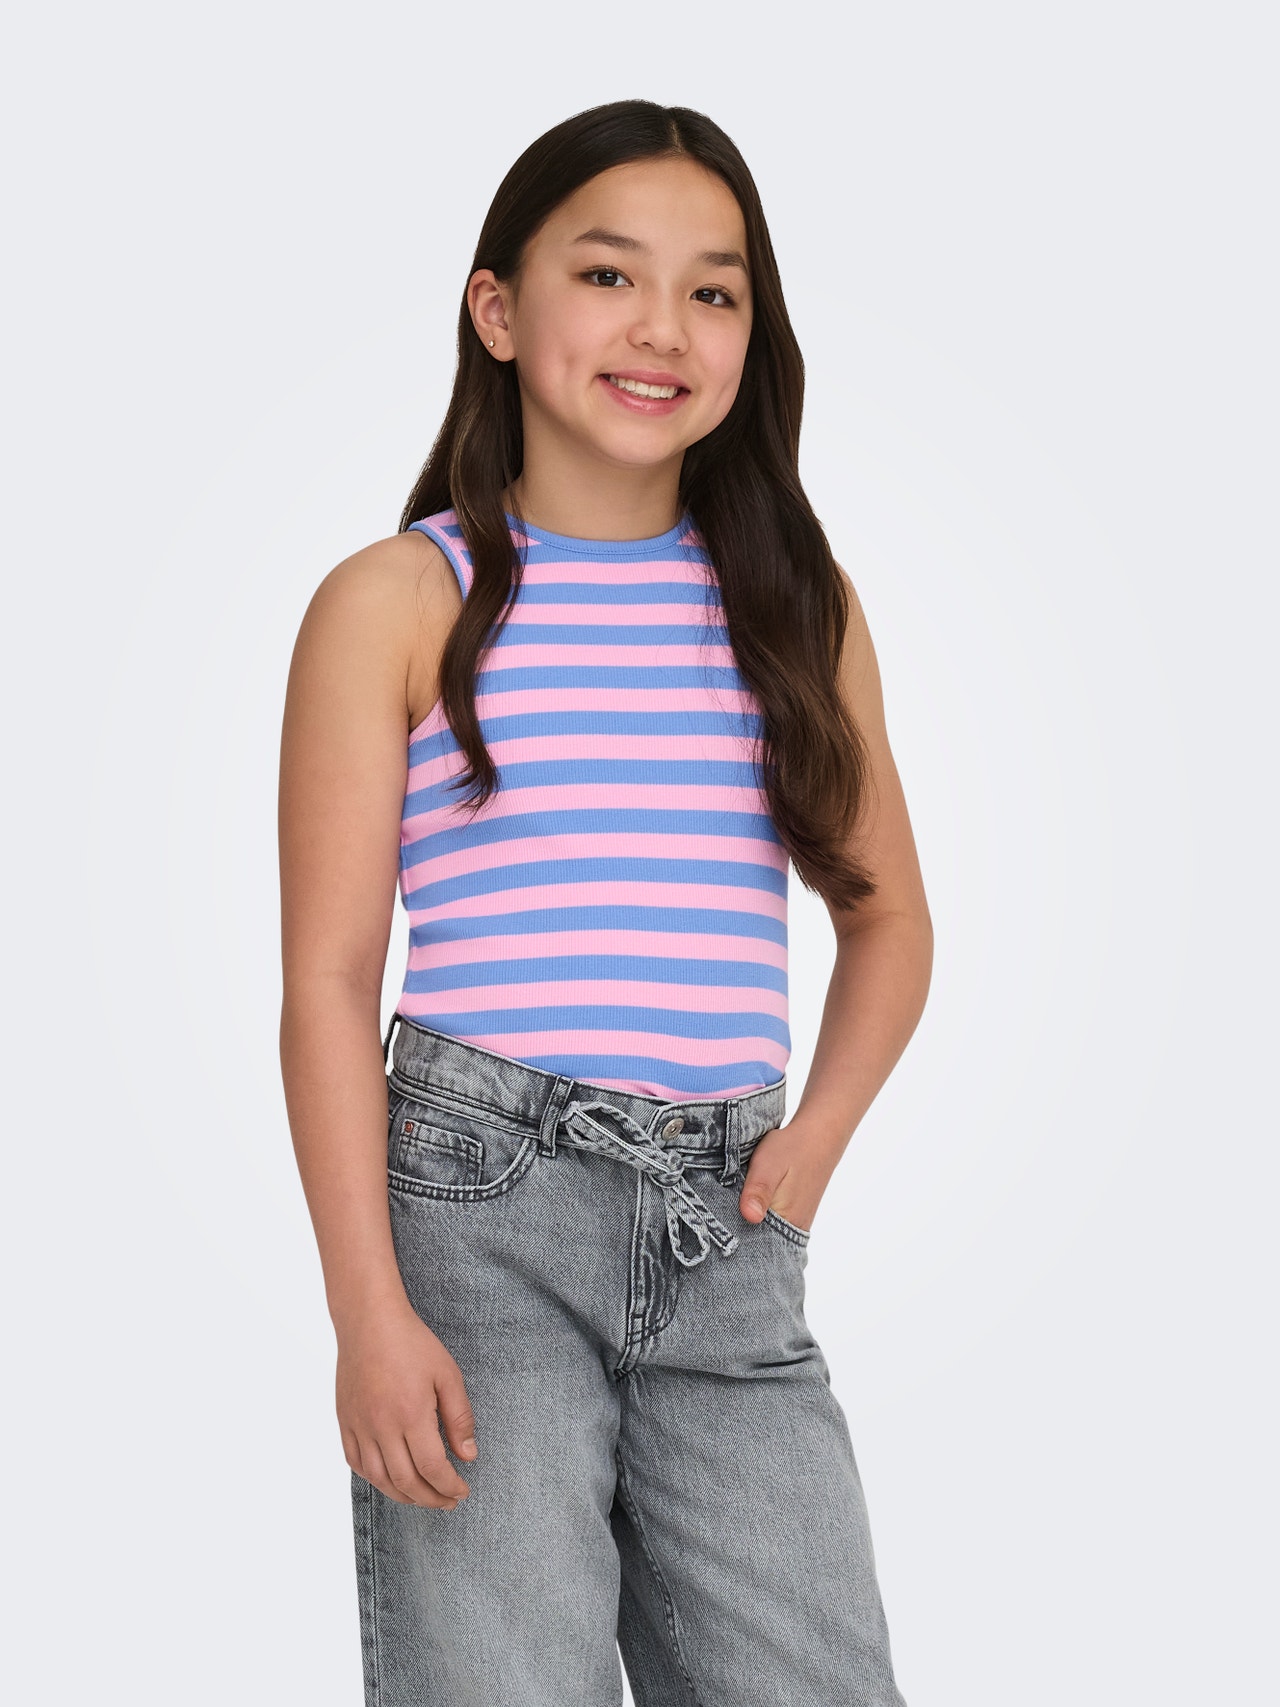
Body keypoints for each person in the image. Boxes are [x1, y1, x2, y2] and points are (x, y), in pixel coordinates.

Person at [278, 98, 932, 1707]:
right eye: (607, 275)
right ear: (499, 311)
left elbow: (889, 920)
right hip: (476, 1225)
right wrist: (368, 1313)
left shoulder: (793, 604)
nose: (662, 328)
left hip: (730, 1234)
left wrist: (809, 1150)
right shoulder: (400, 600)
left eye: (714, 291)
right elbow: (327, 983)